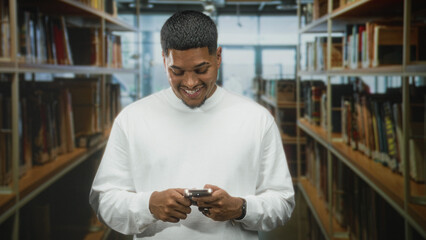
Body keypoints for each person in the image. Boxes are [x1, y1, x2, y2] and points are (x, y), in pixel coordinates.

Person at [89, 10, 294, 239]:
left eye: (201, 70)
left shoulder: (257, 119)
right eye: (176, 71)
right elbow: (104, 200)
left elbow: (283, 203)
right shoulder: (132, 119)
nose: (190, 83)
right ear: (164, 59)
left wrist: (241, 208)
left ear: (218, 57)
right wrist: (148, 206)